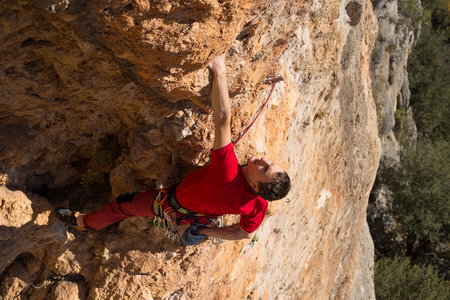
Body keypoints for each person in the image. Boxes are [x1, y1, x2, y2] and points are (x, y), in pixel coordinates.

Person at [56, 55, 291, 244]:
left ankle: (83, 222)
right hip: (197, 215)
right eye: (269, 163)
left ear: (254, 186)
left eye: (263, 169)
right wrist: (203, 232)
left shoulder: (228, 174)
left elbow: (222, 119)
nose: (262, 160)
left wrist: (220, 72)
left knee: (124, 204)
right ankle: (191, 228)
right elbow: (245, 233)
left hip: (171, 204)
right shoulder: (259, 204)